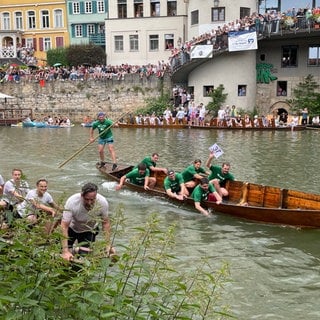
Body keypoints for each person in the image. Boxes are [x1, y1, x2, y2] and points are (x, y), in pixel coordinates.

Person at [61, 182, 115, 261]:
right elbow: (64, 226)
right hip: (72, 228)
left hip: (89, 230)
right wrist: (65, 251)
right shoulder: (72, 202)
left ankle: (77, 250)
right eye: (86, 199)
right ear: (81, 195)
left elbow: (105, 223)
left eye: (92, 200)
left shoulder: (102, 202)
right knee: (66, 256)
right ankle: (73, 250)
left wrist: (108, 244)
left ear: (96, 197)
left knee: (85, 257)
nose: (89, 202)